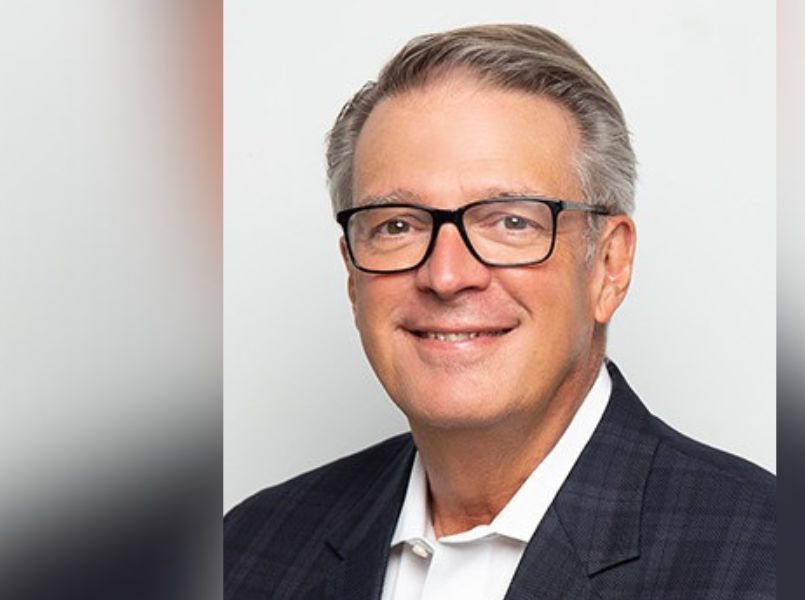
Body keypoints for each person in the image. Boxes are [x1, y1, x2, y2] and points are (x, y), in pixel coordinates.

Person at [224, 24, 775, 600]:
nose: (446, 276)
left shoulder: (770, 559)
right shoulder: (250, 549)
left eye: (512, 222)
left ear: (609, 265)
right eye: (398, 226)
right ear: (352, 274)